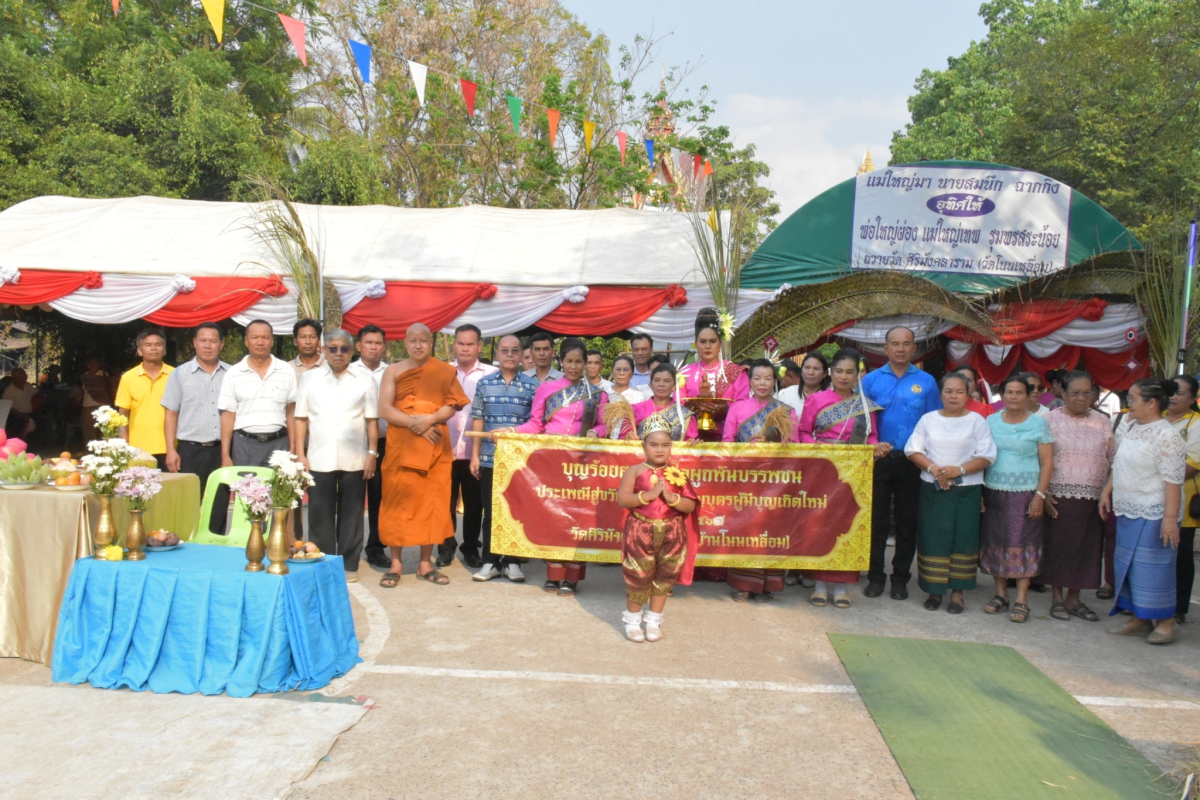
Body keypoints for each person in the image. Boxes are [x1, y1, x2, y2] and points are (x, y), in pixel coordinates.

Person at [507, 338, 608, 594]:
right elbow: (535, 425)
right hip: (550, 464)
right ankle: (553, 574)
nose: (573, 366)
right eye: (569, 361)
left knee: (577, 518)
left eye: (579, 362)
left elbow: (604, 424)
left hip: (581, 465)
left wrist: (595, 432)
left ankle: (572, 576)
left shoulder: (598, 394)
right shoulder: (547, 389)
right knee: (552, 517)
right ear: (560, 361)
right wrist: (509, 432)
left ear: (586, 364)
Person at [376, 324, 469, 588]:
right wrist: (414, 424)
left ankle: (425, 563)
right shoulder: (392, 371)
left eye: (423, 341)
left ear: (431, 342)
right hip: (401, 442)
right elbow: (384, 408)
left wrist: (429, 419)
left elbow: (452, 405)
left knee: (433, 502)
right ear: (405, 343)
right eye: (413, 341)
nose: (418, 345)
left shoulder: (443, 370)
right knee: (397, 500)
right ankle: (396, 563)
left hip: (434, 444)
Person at [798, 348, 886, 608]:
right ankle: (819, 584)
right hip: (823, 470)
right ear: (831, 373)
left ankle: (842, 587)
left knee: (848, 525)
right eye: (839, 371)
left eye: (850, 372)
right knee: (820, 524)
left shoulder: (864, 405)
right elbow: (803, 432)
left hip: (854, 474)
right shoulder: (816, 400)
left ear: (858, 375)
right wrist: (816, 451)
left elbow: (871, 437)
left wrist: (876, 447)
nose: (844, 377)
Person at [1102, 377, 1186, 644]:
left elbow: (1173, 480)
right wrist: (1108, 489)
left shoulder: (1167, 436)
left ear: (1151, 403)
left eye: (1132, 400)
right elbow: (1120, 463)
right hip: (1128, 509)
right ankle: (1139, 619)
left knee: (1153, 569)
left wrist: (1170, 520)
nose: (1129, 405)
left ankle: (1166, 622)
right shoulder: (1131, 427)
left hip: (1155, 513)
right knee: (1128, 567)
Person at [860, 326, 942, 601]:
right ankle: (875, 576)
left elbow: (934, 424)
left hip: (913, 461)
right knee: (876, 521)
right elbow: (861, 423)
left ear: (914, 349)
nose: (900, 348)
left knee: (908, 522)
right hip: (878, 460)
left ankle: (900, 578)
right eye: (894, 343)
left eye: (906, 344)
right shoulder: (870, 380)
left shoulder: (927, 381)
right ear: (884, 348)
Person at [904, 372, 997, 613]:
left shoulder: (977, 421)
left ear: (967, 395)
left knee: (963, 537)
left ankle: (958, 592)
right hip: (933, 487)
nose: (954, 395)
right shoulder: (928, 419)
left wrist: (959, 470)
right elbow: (912, 450)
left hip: (966, 489)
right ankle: (934, 590)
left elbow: (987, 455)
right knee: (933, 536)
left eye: (959, 391)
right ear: (940, 393)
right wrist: (935, 469)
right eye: (949, 391)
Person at [293, 329, 379, 584]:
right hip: (318, 457)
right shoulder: (309, 379)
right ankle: (322, 561)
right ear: (324, 350)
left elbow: (371, 420)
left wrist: (372, 453)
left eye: (344, 349)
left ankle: (349, 564)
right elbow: (300, 419)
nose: (338, 353)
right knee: (319, 514)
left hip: (355, 457)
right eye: (333, 348)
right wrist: (300, 453)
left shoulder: (365, 379)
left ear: (352, 351)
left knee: (353, 514)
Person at [722, 358, 800, 603]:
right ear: (750, 381)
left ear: (775, 380)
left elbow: (795, 447)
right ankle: (743, 585)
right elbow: (726, 442)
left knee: (770, 531)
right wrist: (745, 451)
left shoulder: (786, 411)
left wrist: (773, 447)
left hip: (775, 481)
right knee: (744, 529)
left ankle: (769, 584)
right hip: (744, 479)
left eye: (768, 378)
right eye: (757, 378)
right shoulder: (737, 408)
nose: (762, 383)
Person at [979, 376, 1054, 623]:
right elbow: (981, 456)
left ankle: (1022, 599)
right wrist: (980, 491)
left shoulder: (1038, 424)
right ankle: (1000, 595)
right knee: (996, 540)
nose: (1013, 397)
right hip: (994, 490)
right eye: (1008, 392)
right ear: (1002, 395)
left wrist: (1039, 496)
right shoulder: (990, 421)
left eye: (1019, 393)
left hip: (1026, 494)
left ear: (1029, 395)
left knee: (1022, 543)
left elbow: (1047, 462)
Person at [616, 423, 700, 642]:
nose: (659, 449)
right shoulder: (635, 471)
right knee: (638, 575)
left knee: (665, 576)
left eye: (665, 445)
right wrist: (649, 495)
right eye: (653, 445)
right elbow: (622, 499)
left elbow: (691, 506)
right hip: (640, 529)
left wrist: (673, 499)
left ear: (672, 447)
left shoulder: (677, 474)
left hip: (673, 530)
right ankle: (633, 621)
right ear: (644, 446)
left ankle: (653, 621)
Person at [1042, 370, 1115, 623]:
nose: (1082, 398)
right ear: (1063, 393)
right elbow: (1037, 459)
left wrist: (1107, 489)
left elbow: (1113, 457)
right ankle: (1057, 598)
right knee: (1060, 547)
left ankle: (1075, 598)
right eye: (1075, 393)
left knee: (1087, 549)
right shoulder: (1049, 420)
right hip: (1059, 495)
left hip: (1094, 497)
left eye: (1088, 393)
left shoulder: (1103, 421)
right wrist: (1043, 493)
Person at [470, 334, 539, 583]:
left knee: (516, 511)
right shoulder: (484, 383)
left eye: (515, 351)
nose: (510, 355)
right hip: (489, 458)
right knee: (490, 510)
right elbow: (477, 419)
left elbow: (536, 424)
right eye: (505, 350)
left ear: (522, 355)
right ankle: (490, 561)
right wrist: (474, 456)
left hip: (519, 463)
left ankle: (512, 561)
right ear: (497, 353)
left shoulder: (532, 387)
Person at [162, 323, 230, 533]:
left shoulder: (232, 374)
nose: (207, 346)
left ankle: (215, 545)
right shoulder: (180, 374)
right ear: (194, 343)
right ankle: (186, 545)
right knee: (187, 503)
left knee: (219, 501)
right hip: (189, 449)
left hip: (222, 449)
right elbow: (171, 413)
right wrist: (171, 450)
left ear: (221, 344)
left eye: (212, 341)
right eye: (202, 340)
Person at [440, 324, 498, 569]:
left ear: (479, 346)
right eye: (461, 343)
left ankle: (471, 547)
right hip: (443, 448)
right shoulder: (440, 372)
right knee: (444, 502)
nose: (465, 348)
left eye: (470, 344)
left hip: (477, 451)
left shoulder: (491, 374)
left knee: (475, 505)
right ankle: (444, 545)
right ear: (454, 345)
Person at [219, 320, 297, 470]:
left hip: (279, 442)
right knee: (246, 491)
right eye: (255, 337)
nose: (260, 342)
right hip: (245, 444)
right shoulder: (233, 373)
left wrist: (293, 450)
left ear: (272, 341)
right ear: (246, 341)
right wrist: (225, 454)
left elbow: (291, 412)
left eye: (265, 337)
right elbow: (228, 415)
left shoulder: (286, 370)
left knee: (280, 492)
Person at [352, 324, 392, 570]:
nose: (373, 347)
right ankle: (349, 548)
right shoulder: (347, 370)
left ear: (384, 347)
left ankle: (376, 547)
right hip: (354, 442)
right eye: (368, 342)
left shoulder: (392, 372)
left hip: (386, 443)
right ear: (359, 346)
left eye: (378, 343)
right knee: (352, 497)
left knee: (380, 497)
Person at [1163, 374, 1200, 624]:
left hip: (1183, 499)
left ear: (1193, 398)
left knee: (1181, 555)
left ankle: (1178, 608)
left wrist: (1157, 478)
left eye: (1180, 392)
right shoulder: (1155, 419)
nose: (1173, 396)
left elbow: (1192, 464)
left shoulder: (1196, 423)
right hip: (1151, 498)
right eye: (1170, 391)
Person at [115, 327, 174, 469]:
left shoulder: (176, 375)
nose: (154, 348)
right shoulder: (128, 377)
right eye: (148, 345)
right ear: (140, 351)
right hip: (137, 449)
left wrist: (174, 449)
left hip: (170, 448)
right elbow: (123, 416)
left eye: (158, 345)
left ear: (165, 350)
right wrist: (124, 447)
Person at [678, 307, 749, 412]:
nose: (707, 346)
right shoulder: (684, 374)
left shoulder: (737, 373)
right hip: (692, 427)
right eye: (702, 341)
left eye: (713, 341)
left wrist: (727, 410)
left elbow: (744, 407)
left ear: (720, 344)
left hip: (727, 427)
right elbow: (676, 407)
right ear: (696, 344)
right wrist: (688, 410)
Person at [632, 363, 699, 441]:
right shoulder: (635, 410)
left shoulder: (685, 415)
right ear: (651, 385)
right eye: (657, 380)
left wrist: (692, 442)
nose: (661, 384)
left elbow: (690, 445)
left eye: (667, 381)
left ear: (674, 386)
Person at [79, 357, 115, 442]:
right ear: (87, 365)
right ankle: (89, 453)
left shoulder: (104, 375)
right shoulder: (85, 376)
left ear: (99, 365)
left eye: (95, 363)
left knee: (104, 432)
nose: (92, 365)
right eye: (90, 363)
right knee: (88, 431)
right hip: (87, 406)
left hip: (102, 406)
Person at [2, 367, 36, 438]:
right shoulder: (9, 391)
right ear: (15, 378)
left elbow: (37, 394)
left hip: (31, 413)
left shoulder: (28, 386)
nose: (25, 377)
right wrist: (23, 416)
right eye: (22, 376)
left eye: (25, 375)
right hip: (17, 416)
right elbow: (10, 409)